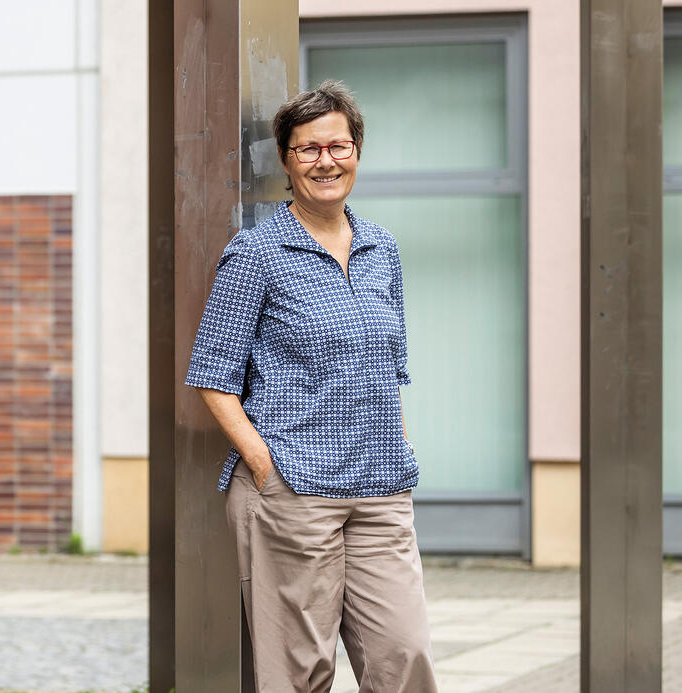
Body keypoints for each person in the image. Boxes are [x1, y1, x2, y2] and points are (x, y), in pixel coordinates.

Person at [185, 80, 437, 691]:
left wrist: (398, 453)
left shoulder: (383, 248)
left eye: (339, 145)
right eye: (308, 149)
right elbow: (212, 375)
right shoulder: (257, 253)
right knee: (299, 672)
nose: (326, 160)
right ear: (288, 160)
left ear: (356, 152)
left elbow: (391, 368)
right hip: (295, 492)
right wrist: (265, 465)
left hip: (381, 492)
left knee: (403, 657)